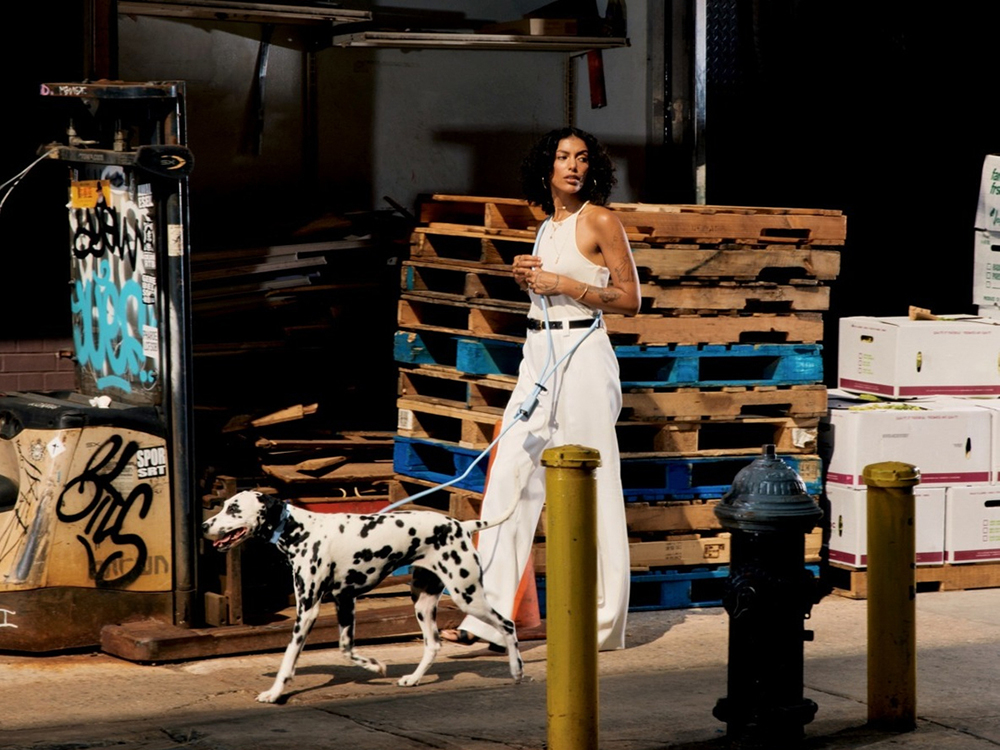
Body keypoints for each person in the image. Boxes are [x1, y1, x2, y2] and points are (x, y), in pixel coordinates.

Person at [442, 126, 640, 651]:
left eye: (581, 157)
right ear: (545, 168)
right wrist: (525, 276)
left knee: (595, 485)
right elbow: (546, 290)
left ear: (593, 166)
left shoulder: (598, 219)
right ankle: (486, 616)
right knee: (509, 476)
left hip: (583, 358)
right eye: (561, 157)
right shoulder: (545, 226)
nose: (572, 166)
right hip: (538, 358)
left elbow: (630, 300)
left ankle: (601, 626)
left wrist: (568, 285)